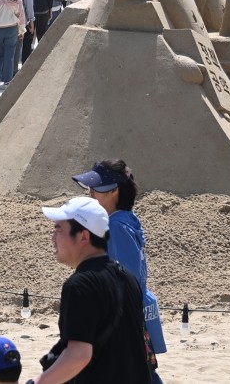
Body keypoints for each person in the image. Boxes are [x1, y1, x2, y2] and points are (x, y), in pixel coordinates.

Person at [37, 195, 151, 384]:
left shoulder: (80, 285)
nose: (52, 238)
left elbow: (79, 355)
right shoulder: (127, 278)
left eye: (58, 230)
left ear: (83, 236)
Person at [71, 161, 166, 377]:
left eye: (96, 188)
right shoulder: (124, 221)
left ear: (114, 191)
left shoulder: (115, 228)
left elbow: (125, 283)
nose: (90, 193)